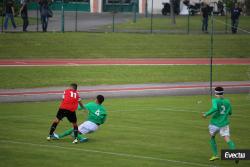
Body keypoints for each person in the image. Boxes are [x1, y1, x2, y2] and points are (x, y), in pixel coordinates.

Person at [202, 87, 238, 164]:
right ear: (223, 93)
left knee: (212, 137)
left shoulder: (215, 100)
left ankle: (215, 155)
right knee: (228, 139)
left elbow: (215, 108)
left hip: (214, 124)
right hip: (224, 124)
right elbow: (230, 112)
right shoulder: (227, 101)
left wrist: (206, 114)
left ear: (215, 93)